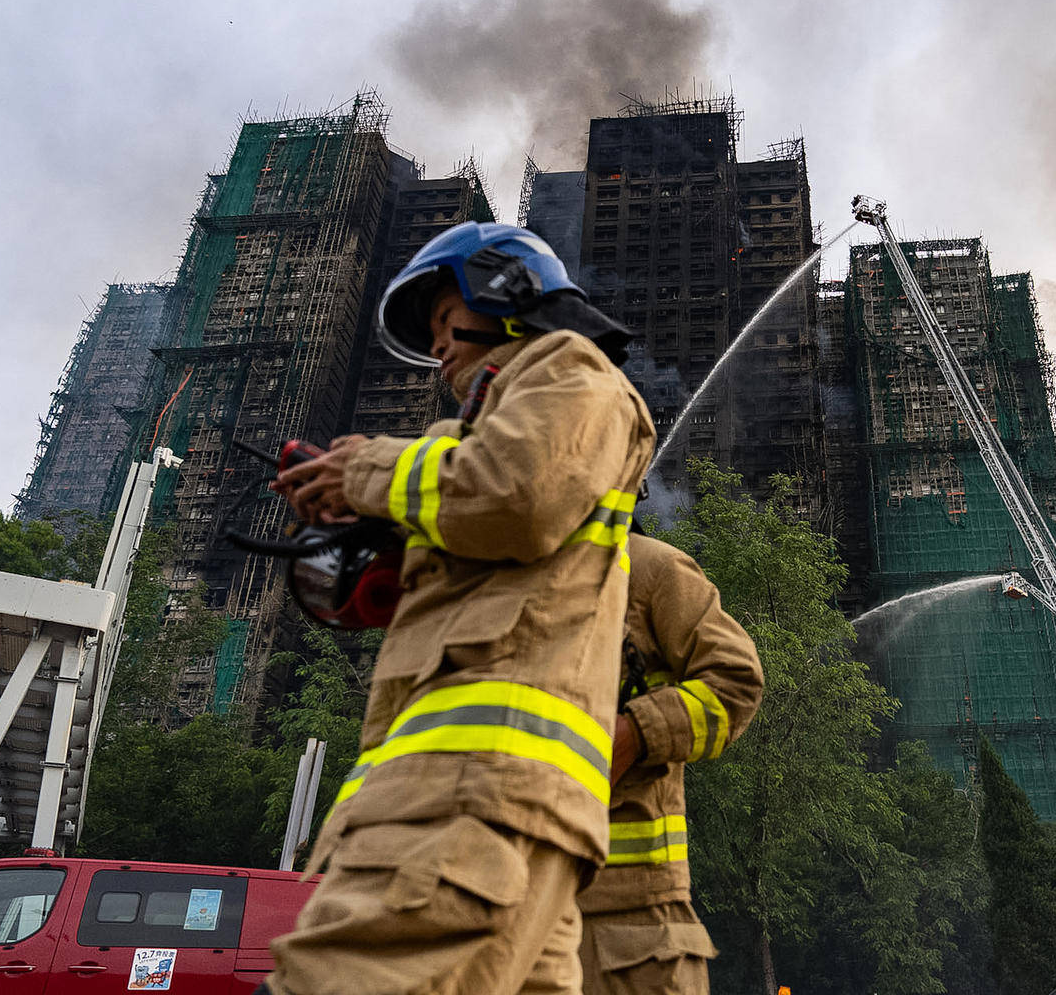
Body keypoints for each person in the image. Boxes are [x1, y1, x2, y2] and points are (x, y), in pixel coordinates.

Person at [265, 222, 654, 995]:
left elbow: (518, 494)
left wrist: (369, 470)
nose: (439, 348)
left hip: (470, 794)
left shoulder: (568, 370)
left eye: (448, 322)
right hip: (503, 802)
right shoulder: (471, 439)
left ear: (508, 295)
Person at [579, 532, 764, 995]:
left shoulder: (650, 570)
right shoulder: (483, 585)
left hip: (629, 925)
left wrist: (636, 733)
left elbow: (735, 684)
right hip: (499, 911)